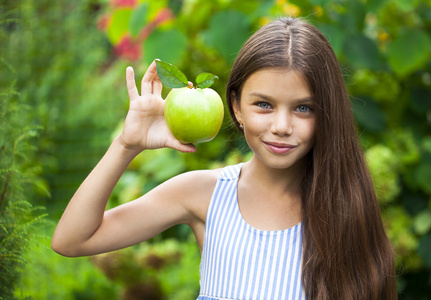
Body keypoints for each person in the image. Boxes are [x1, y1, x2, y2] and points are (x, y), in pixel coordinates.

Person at [52, 17, 397, 299]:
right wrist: (127, 144)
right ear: (236, 107)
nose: (281, 126)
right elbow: (72, 239)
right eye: (264, 104)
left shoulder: (344, 206)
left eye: (303, 108)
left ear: (326, 114)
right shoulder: (204, 195)